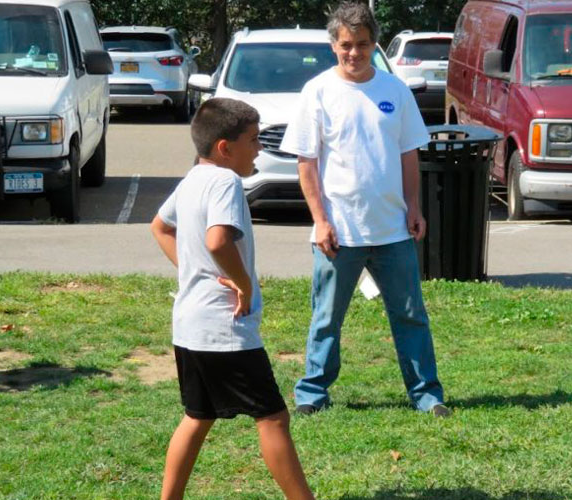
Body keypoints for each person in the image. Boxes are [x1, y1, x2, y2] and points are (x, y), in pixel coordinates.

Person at [280, 1, 449, 418]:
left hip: (392, 231)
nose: (354, 53)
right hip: (339, 233)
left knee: (411, 317)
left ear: (374, 45)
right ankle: (311, 395)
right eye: (346, 45)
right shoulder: (317, 92)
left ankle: (427, 396)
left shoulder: (395, 91)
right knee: (326, 319)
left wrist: (414, 208)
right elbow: (307, 162)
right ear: (333, 45)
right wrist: (320, 221)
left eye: (363, 44)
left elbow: (409, 154)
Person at [151, 98, 314, 500]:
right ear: (225, 147)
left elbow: (159, 226)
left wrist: (196, 270)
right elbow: (218, 240)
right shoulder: (225, 182)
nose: (259, 148)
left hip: (190, 326)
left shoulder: (193, 178)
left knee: (198, 416)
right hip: (224, 329)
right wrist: (240, 282)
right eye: (254, 140)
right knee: (273, 418)